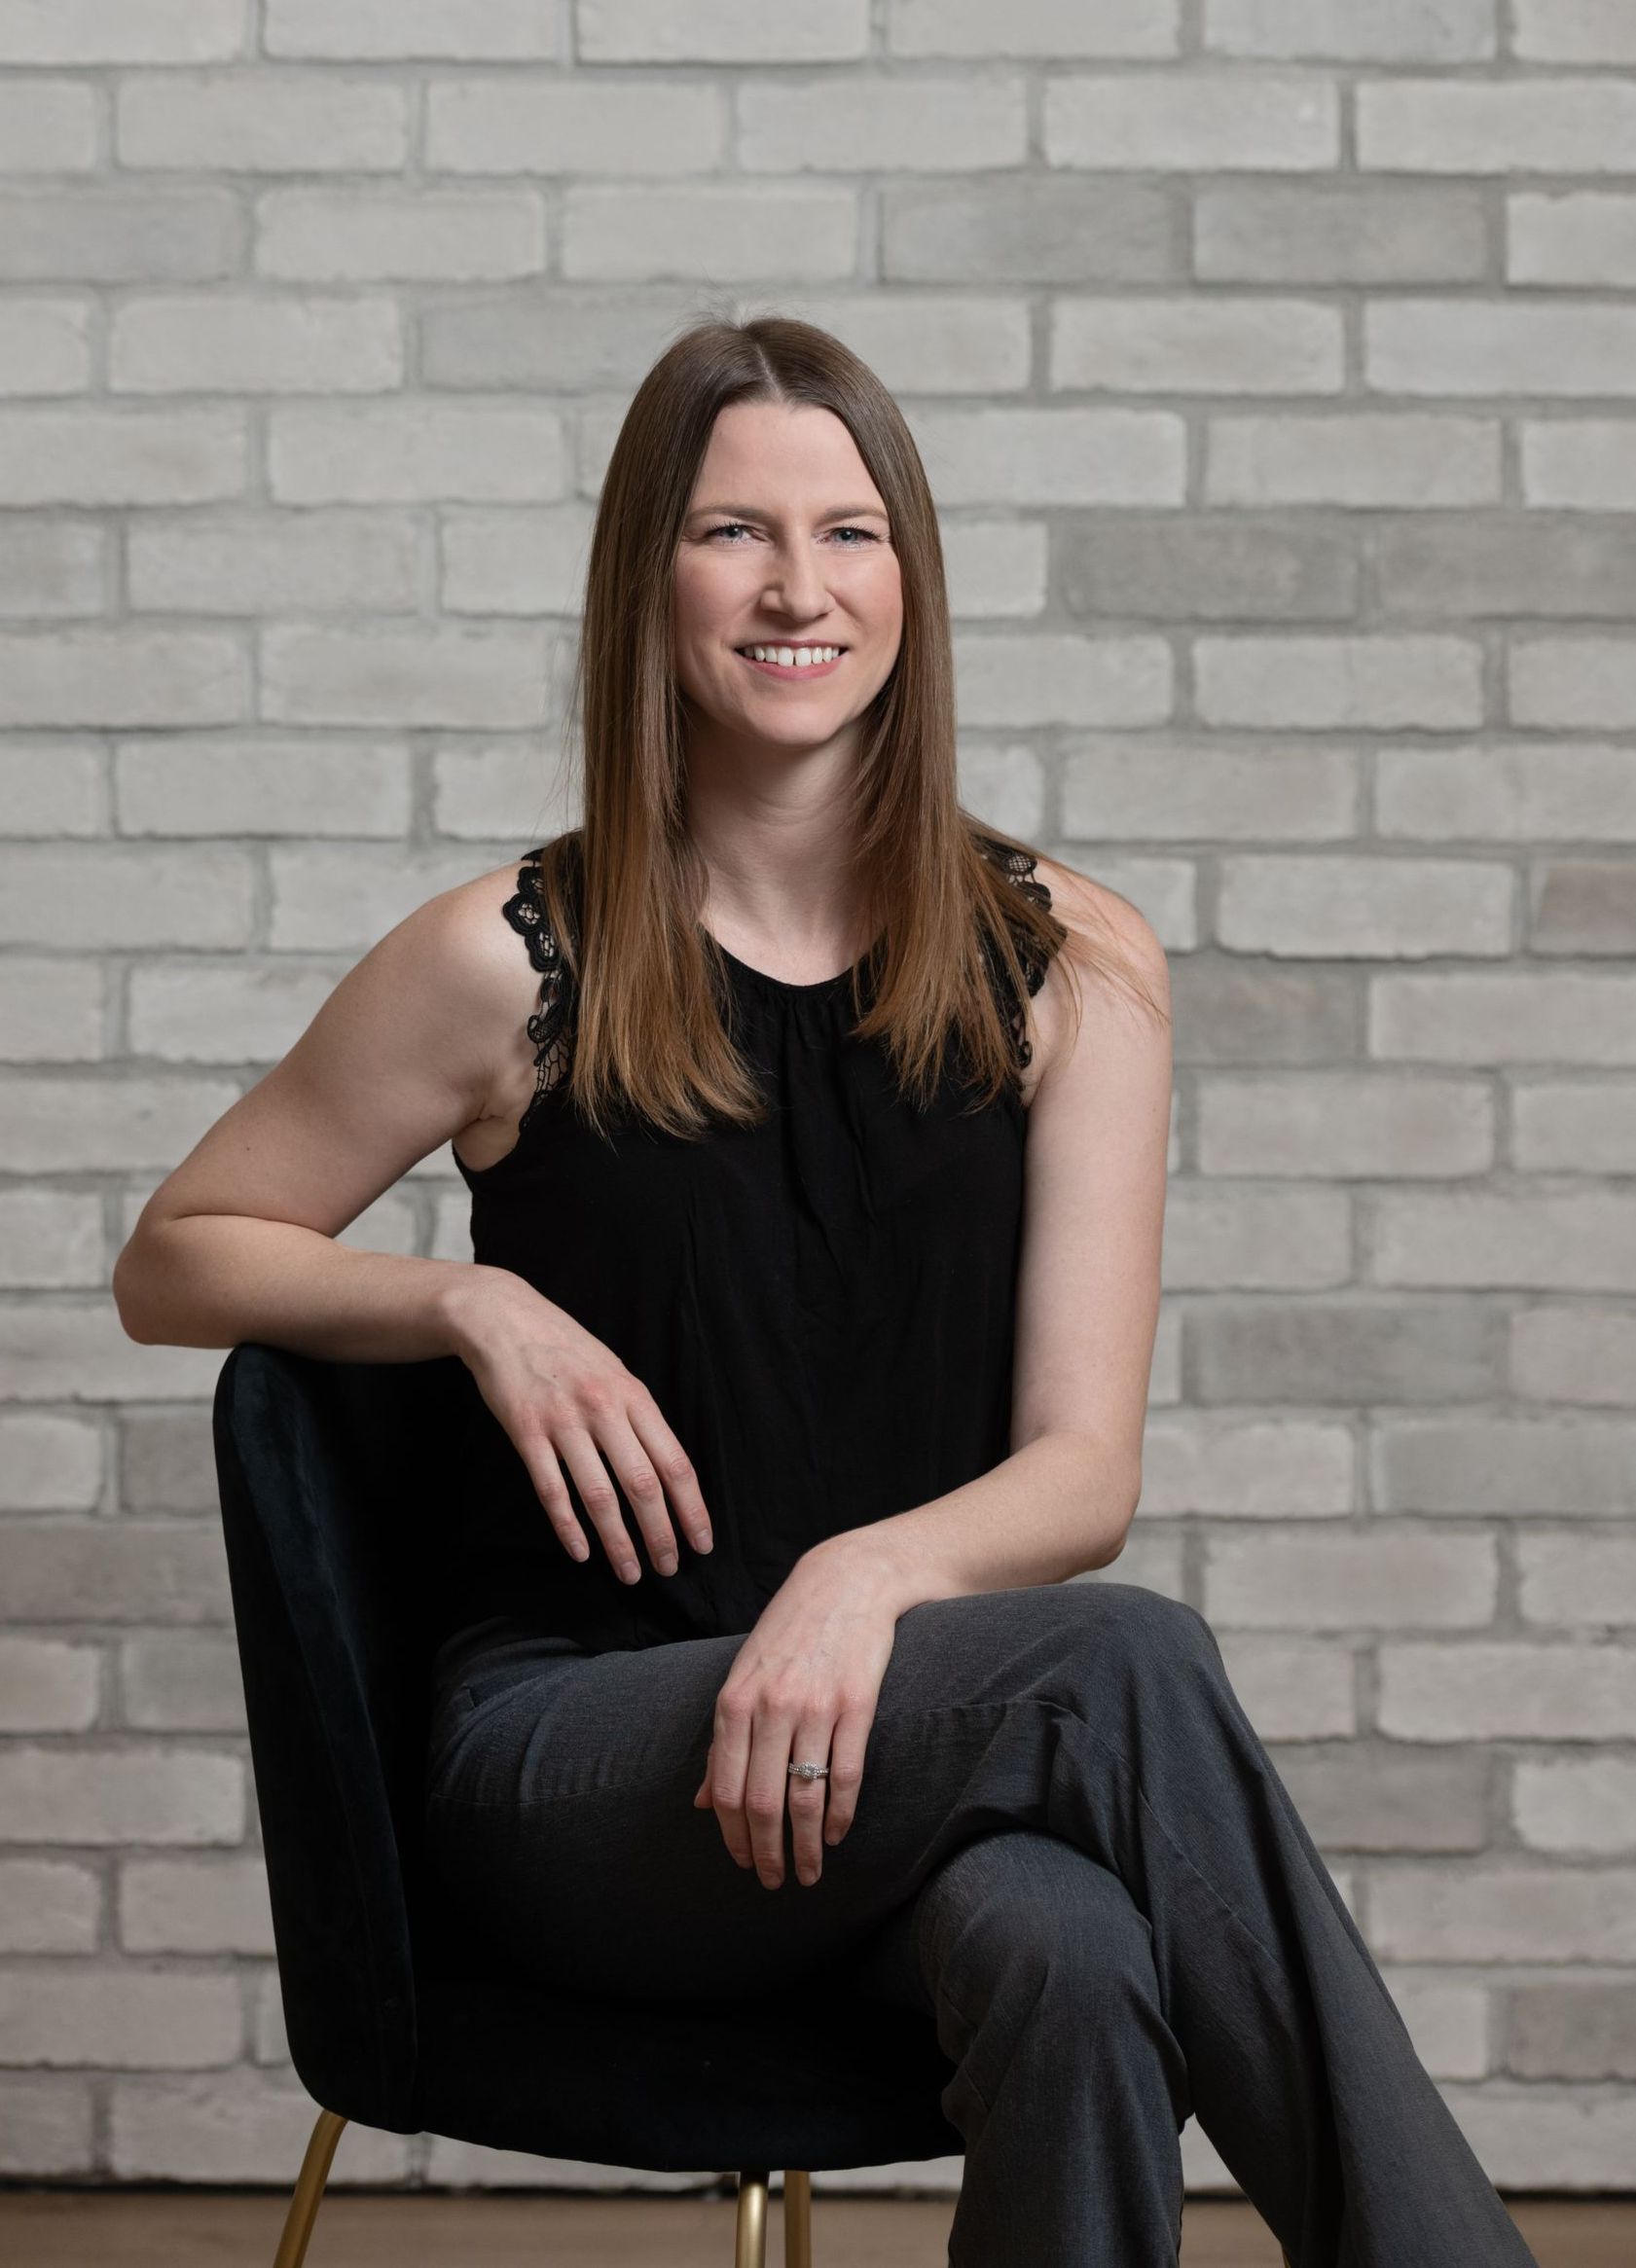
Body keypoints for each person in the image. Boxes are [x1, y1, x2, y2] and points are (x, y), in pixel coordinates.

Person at [114, 314, 1541, 2268]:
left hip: (896, 1753)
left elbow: (1079, 1468)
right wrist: (466, 1306)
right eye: (732, 532)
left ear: (910, 580)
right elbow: (176, 1250)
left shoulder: (1070, 964)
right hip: (579, 1763)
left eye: (849, 531)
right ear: (650, 577)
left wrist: (857, 1577)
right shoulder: (506, 956)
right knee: (1119, 1661)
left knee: (1071, 1944)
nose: (798, 587)